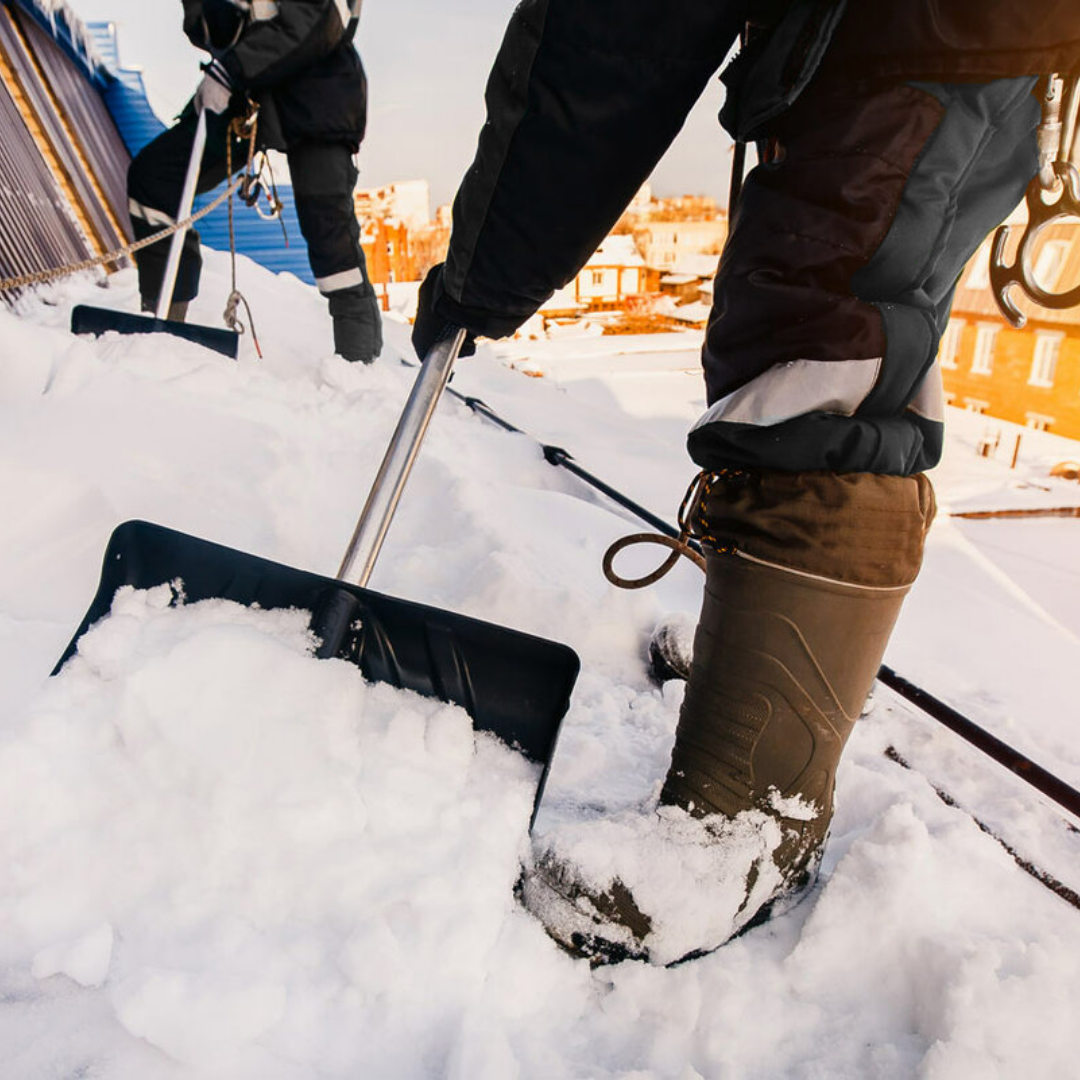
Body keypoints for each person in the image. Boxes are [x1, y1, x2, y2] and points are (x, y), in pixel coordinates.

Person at [412, 0, 1080, 964]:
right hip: (892, 50)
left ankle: (756, 820)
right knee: (796, 340)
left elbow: (600, 47)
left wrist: (489, 272)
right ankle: (767, 672)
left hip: (918, 50)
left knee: (829, 366)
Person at [128, 0, 382, 364]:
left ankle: (360, 363)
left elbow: (319, 20)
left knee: (329, 233)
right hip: (250, 93)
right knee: (155, 179)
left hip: (317, 89)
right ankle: (165, 326)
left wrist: (231, 69)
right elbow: (208, 31)